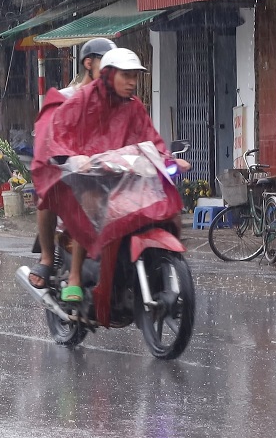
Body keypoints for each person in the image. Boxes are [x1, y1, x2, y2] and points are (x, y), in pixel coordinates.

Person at [31, 48, 189, 303]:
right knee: (90, 204)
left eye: (134, 76)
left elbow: (151, 139)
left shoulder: (134, 106)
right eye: (126, 76)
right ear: (107, 73)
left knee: (167, 208)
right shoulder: (81, 99)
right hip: (88, 177)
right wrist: (71, 156)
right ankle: (75, 277)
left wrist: (169, 160)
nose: (132, 83)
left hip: (123, 177)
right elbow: (59, 131)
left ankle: (161, 266)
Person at [28, 38, 115, 290]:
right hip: (71, 172)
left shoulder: (118, 102)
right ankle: (47, 258)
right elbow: (47, 136)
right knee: (50, 192)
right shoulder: (65, 98)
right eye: (107, 64)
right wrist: (68, 157)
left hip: (107, 171)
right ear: (89, 63)